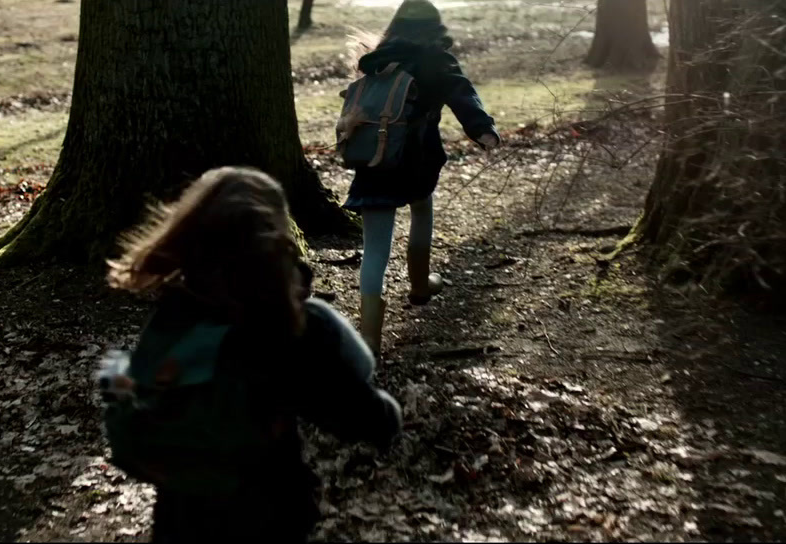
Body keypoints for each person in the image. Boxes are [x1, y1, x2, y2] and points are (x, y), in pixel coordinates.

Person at [104, 166, 403, 543]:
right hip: (264, 514)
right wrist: (389, 412)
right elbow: (364, 418)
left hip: (180, 516)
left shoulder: (177, 308)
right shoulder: (291, 327)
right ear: (276, 239)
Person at [343, 0, 501, 356]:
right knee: (421, 210)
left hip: (372, 159)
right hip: (414, 160)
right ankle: (419, 285)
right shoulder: (436, 60)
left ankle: (369, 336)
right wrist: (483, 130)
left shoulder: (377, 60)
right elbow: (463, 94)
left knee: (375, 247)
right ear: (435, 27)